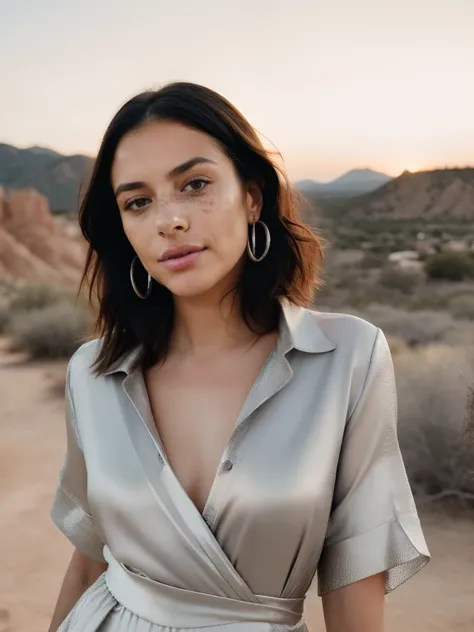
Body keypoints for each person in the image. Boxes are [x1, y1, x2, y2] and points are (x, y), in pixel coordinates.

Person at [48, 82, 430, 632]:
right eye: (138, 202)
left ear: (252, 197)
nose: (169, 220)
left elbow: (355, 570)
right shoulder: (92, 372)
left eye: (195, 184)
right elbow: (89, 561)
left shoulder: (349, 357)